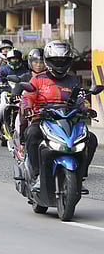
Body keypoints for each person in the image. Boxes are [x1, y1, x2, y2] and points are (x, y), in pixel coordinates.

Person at [21, 41, 98, 193]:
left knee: (91, 140)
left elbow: (81, 98)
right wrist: (27, 108)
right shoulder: (38, 79)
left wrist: (87, 109)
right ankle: (37, 175)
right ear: (48, 61)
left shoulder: (73, 80)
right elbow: (27, 97)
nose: (60, 64)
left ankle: (80, 177)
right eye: (56, 60)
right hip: (43, 119)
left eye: (63, 60)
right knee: (32, 133)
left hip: (68, 120)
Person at [0, 49, 31, 135]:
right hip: (7, 91)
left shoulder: (25, 70)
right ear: (8, 60)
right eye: (12, 59)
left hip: (20, 93)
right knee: (3, 104)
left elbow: (29, 80)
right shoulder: (3, 69)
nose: (14, 61)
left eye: (16, 59)